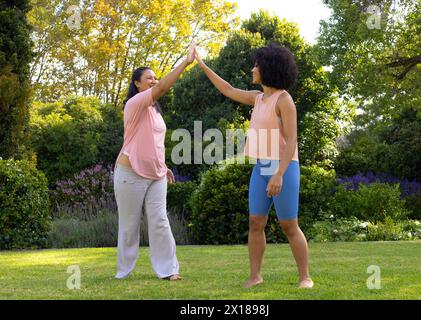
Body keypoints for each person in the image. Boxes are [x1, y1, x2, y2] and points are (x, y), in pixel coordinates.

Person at [195, 44, 314, 288]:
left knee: (289, 225)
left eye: (256, 65)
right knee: (255, 222)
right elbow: (227, 89)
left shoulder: (284, 100)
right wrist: (201, 64)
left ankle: (305, 277)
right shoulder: (258, 98)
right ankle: (255, 276)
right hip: (261, 168)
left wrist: (279, 174)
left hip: (284, 168)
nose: (253, 69)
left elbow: (292, 140)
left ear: (269, 68)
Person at [113, 43, 196, 281]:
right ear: (137, 83)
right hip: (130, 173)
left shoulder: (155, 111)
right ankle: (124, 271)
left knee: (160, 220)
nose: (153, 80)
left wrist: (163, 165)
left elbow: (153, 142)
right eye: (148, 78)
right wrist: (185, 62)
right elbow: (161, 88)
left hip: (156, 174)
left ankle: (169, 270)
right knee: (129, 226)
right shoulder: (135, 104)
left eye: (155, 77)